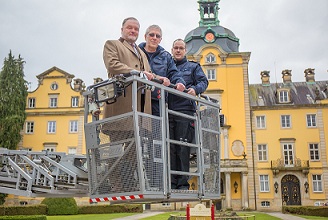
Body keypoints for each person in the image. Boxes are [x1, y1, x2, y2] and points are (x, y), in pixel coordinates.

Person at [168, 38, 209, 190]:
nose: (178, 50)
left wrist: (195, 90)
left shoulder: (193, 66)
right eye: (175, 48)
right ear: (172, 50)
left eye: (181, 48)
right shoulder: (168, 66)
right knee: (169, 147)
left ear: (185, 51)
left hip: (185, 110)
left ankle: (182, 182)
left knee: (182, 146)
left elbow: (204, 82)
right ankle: (171, 181)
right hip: (168, 109)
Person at [138, 25, 186, 116]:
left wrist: (180, 82)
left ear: (160, 39)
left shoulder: (166, 56)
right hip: (139, 96)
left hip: (157, 99)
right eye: (151, 35)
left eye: (157, 36)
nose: (154, 38)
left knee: (157, 129)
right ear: (145, 37)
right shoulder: (137, 52)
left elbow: (173, 73)